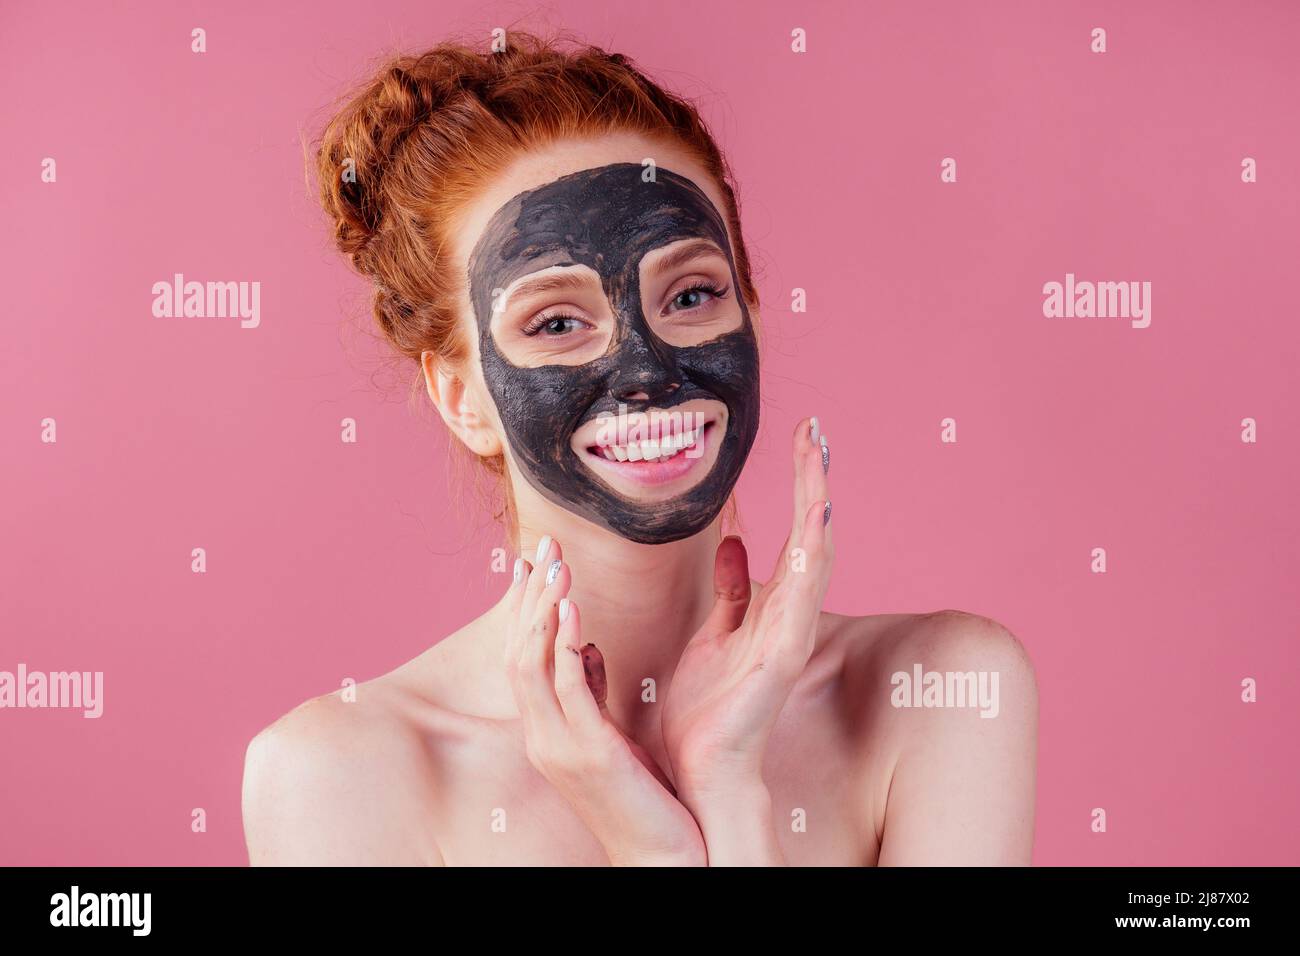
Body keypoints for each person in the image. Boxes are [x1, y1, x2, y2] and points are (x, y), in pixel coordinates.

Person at [241, 32, 1037, 866]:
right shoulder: (342, 776)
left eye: (691, 293)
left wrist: (728, 787)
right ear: (461, 397)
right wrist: (653, 849)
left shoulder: (944, 693)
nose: (647, 369)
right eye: (555, 322)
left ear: (754, 323)